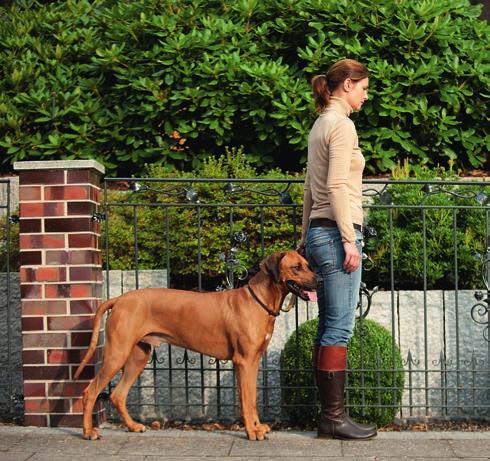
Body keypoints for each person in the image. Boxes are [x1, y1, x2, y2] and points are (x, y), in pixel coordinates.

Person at [300, 58, 377, 440]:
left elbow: (308, 191)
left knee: (327, 326)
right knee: (339, 327)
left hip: (319, 233)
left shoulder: (319, 126)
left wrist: (305, 237)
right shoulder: (342, 125)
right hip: (336, 234)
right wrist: (349, 238)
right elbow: (333, 188)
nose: (366, 95)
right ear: (347, 84)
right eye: (363, 88)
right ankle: (333, 419)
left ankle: (329, 417)